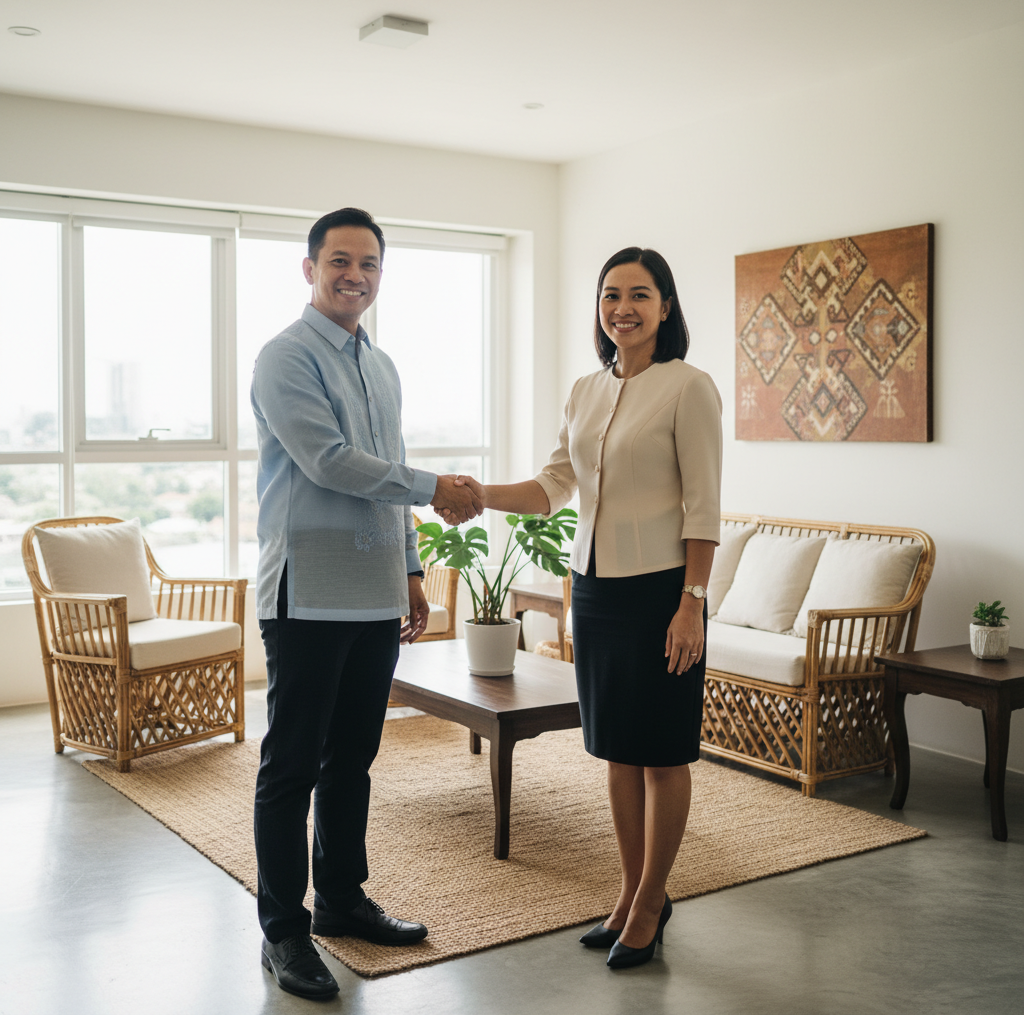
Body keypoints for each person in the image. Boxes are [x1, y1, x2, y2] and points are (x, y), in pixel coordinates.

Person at [444, 247, 721, 970]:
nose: (622, 307)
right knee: (617, 752)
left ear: (666, 306)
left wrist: (692, 602)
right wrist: (479, 496)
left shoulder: (689, 388)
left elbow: (704, 506)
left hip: (664, 593)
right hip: (594, 590)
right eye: (610, 295)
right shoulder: (585, 391)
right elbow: (550, 487)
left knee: (661, 753)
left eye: (639, 294)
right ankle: (631, 894)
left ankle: (654, 901)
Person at [251, 207, 482, 999]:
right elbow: (329, 463)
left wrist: (412, 570)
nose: (355, 275)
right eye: (340, 261)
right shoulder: (283, 357)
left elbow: (390, 469)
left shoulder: (380, 366)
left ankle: (341, 902)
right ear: (310, 267)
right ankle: (283, 931)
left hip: (374, 594)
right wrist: (438, 490)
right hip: (306, 596)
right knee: (291, 768)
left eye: (369, 265)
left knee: (351, 761)